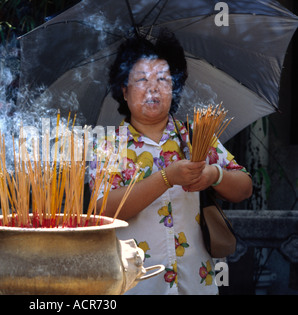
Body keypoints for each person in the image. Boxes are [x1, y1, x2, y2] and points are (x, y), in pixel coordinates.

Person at [88, 29, 252, 295]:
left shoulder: (195, 135)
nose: (153, 88)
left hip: (196, 283)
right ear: (124, 90)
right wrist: (166, 178)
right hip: (135, 286)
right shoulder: (108, 145)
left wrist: (214, 176)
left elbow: (244, 188)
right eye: (141, 79)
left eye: (163, 79)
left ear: (174, 87)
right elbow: (103, 209)